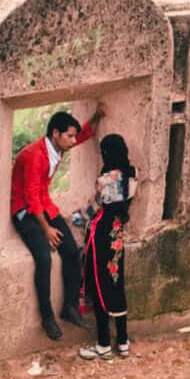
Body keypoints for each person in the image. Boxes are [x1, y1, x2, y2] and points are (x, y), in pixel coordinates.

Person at [10, 106, 99, 341]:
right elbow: (29, 196)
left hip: (43, 204)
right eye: (68, 136)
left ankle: (69, 307)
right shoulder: (34, 155)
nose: (72, 141)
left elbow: (79, 137)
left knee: (70, 249)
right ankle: (48, 317)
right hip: (24, 210)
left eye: (73, 136)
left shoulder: (56, 147)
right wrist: (47, 228)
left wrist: (96, 117)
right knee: (44, 257)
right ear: (55, 134)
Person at [77, 130, 134, 362]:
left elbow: (100, 204)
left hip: (101, 235)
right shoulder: (132, 175)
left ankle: (102, 344)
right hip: (117, 235)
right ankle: (123, 341)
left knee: (98, 285)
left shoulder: (106, 178)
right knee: (116, 284)